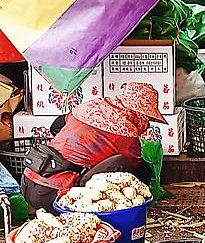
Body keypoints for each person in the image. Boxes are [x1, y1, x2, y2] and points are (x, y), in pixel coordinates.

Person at [21, 82, 166, 212]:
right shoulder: (127, 134)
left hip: (27, 182)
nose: (147, 125)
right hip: (57, 195)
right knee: (123, 163)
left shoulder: (91, 107)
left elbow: (56, 125)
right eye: (148, 119)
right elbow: (135, 170)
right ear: (140, 114)